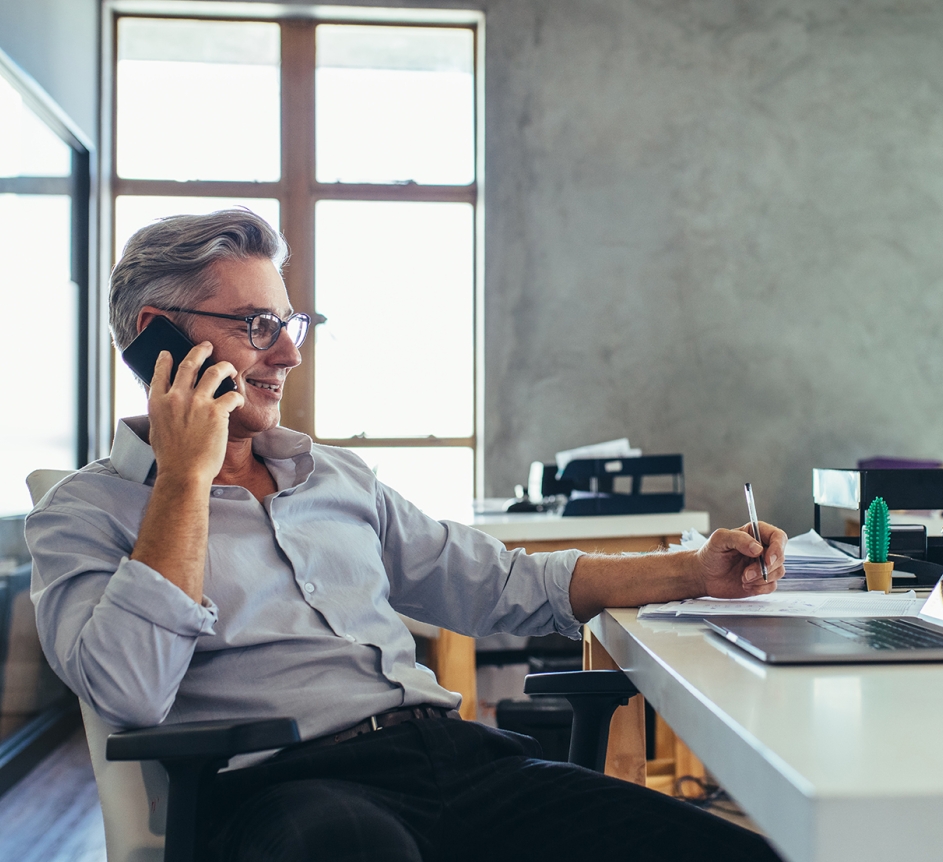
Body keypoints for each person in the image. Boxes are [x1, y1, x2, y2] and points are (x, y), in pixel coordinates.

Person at [27, 209, 788, 862]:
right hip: (286, 790)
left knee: (733, 852)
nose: (289, 353)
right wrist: (186, 478)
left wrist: (697, 570)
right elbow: (129, 688)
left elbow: (506, 584)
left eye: (289, 325)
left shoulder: (335, 479)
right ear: (155, 339)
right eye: (258, 327)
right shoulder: (84, 513)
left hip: (456, 761)